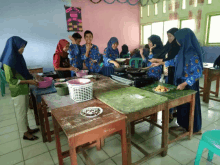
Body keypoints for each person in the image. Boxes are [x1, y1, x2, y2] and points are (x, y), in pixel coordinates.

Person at [0, 36, 43, 141]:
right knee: (21, 113)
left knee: (24, 111)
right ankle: (25, 134)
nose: (23, 49)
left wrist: (34, 75)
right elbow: (11, 80)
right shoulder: (8, 62)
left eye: (24, 47)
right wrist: (29, 81)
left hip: (24, 88)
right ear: (14, 46)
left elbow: (23, 72)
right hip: (18, 90)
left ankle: (27, 128)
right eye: (21, 47)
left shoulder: (17, 57)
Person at [162, 28, 203, 134]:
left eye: (178, 39)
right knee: (182, 107)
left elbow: (197, 74)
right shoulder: (182, 51)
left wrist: (185, 84)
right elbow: (173, 61)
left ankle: (194, 128)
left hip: (190, 85)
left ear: (185, 39)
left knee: (191, 107)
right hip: (181, 83)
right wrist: (160, 63)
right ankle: (184, 126)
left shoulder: (192, 55)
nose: (176, 41)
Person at [149, 28, 180, 122]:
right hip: (167, 72)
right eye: (168, 36)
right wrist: (159, 63)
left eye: (171, 36)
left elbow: (172, 62)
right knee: (169, 92)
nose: (169, 38)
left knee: (173, 93)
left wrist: (157, 61)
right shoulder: (169, 46)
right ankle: (171, 112)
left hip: (174, 73)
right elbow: (165, 60)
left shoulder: (177, 47)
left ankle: (171, 113)